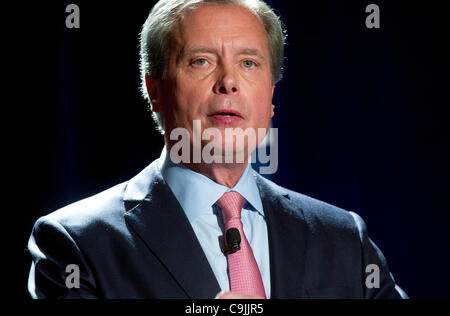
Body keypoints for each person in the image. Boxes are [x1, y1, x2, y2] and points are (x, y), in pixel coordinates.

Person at [27, 0, 407, 299]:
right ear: (154, 90)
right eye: (201, 61)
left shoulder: (342, 238)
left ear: (271, 97)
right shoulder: (77, 242)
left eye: (248, 63)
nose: (228, 82)